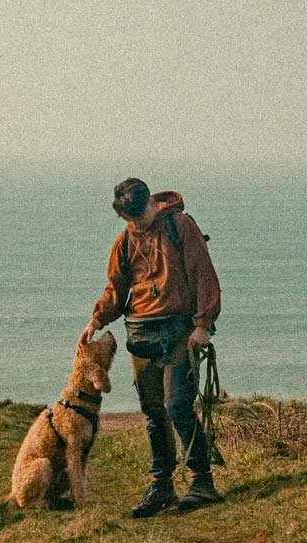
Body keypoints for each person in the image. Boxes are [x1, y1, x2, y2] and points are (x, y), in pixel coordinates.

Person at [78, 177, 222, 518]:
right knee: (153, 414)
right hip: (140, 333)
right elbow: (116, 287)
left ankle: (202, 481)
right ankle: (162, 484)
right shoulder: (125, 241)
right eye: (128, 220)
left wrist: (203, 325)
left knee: (178, 407)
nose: (136, 223)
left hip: (178, 332)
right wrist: (96, 320)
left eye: (138, 216)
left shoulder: (180, 227)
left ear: (151, 203)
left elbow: (204, 275)